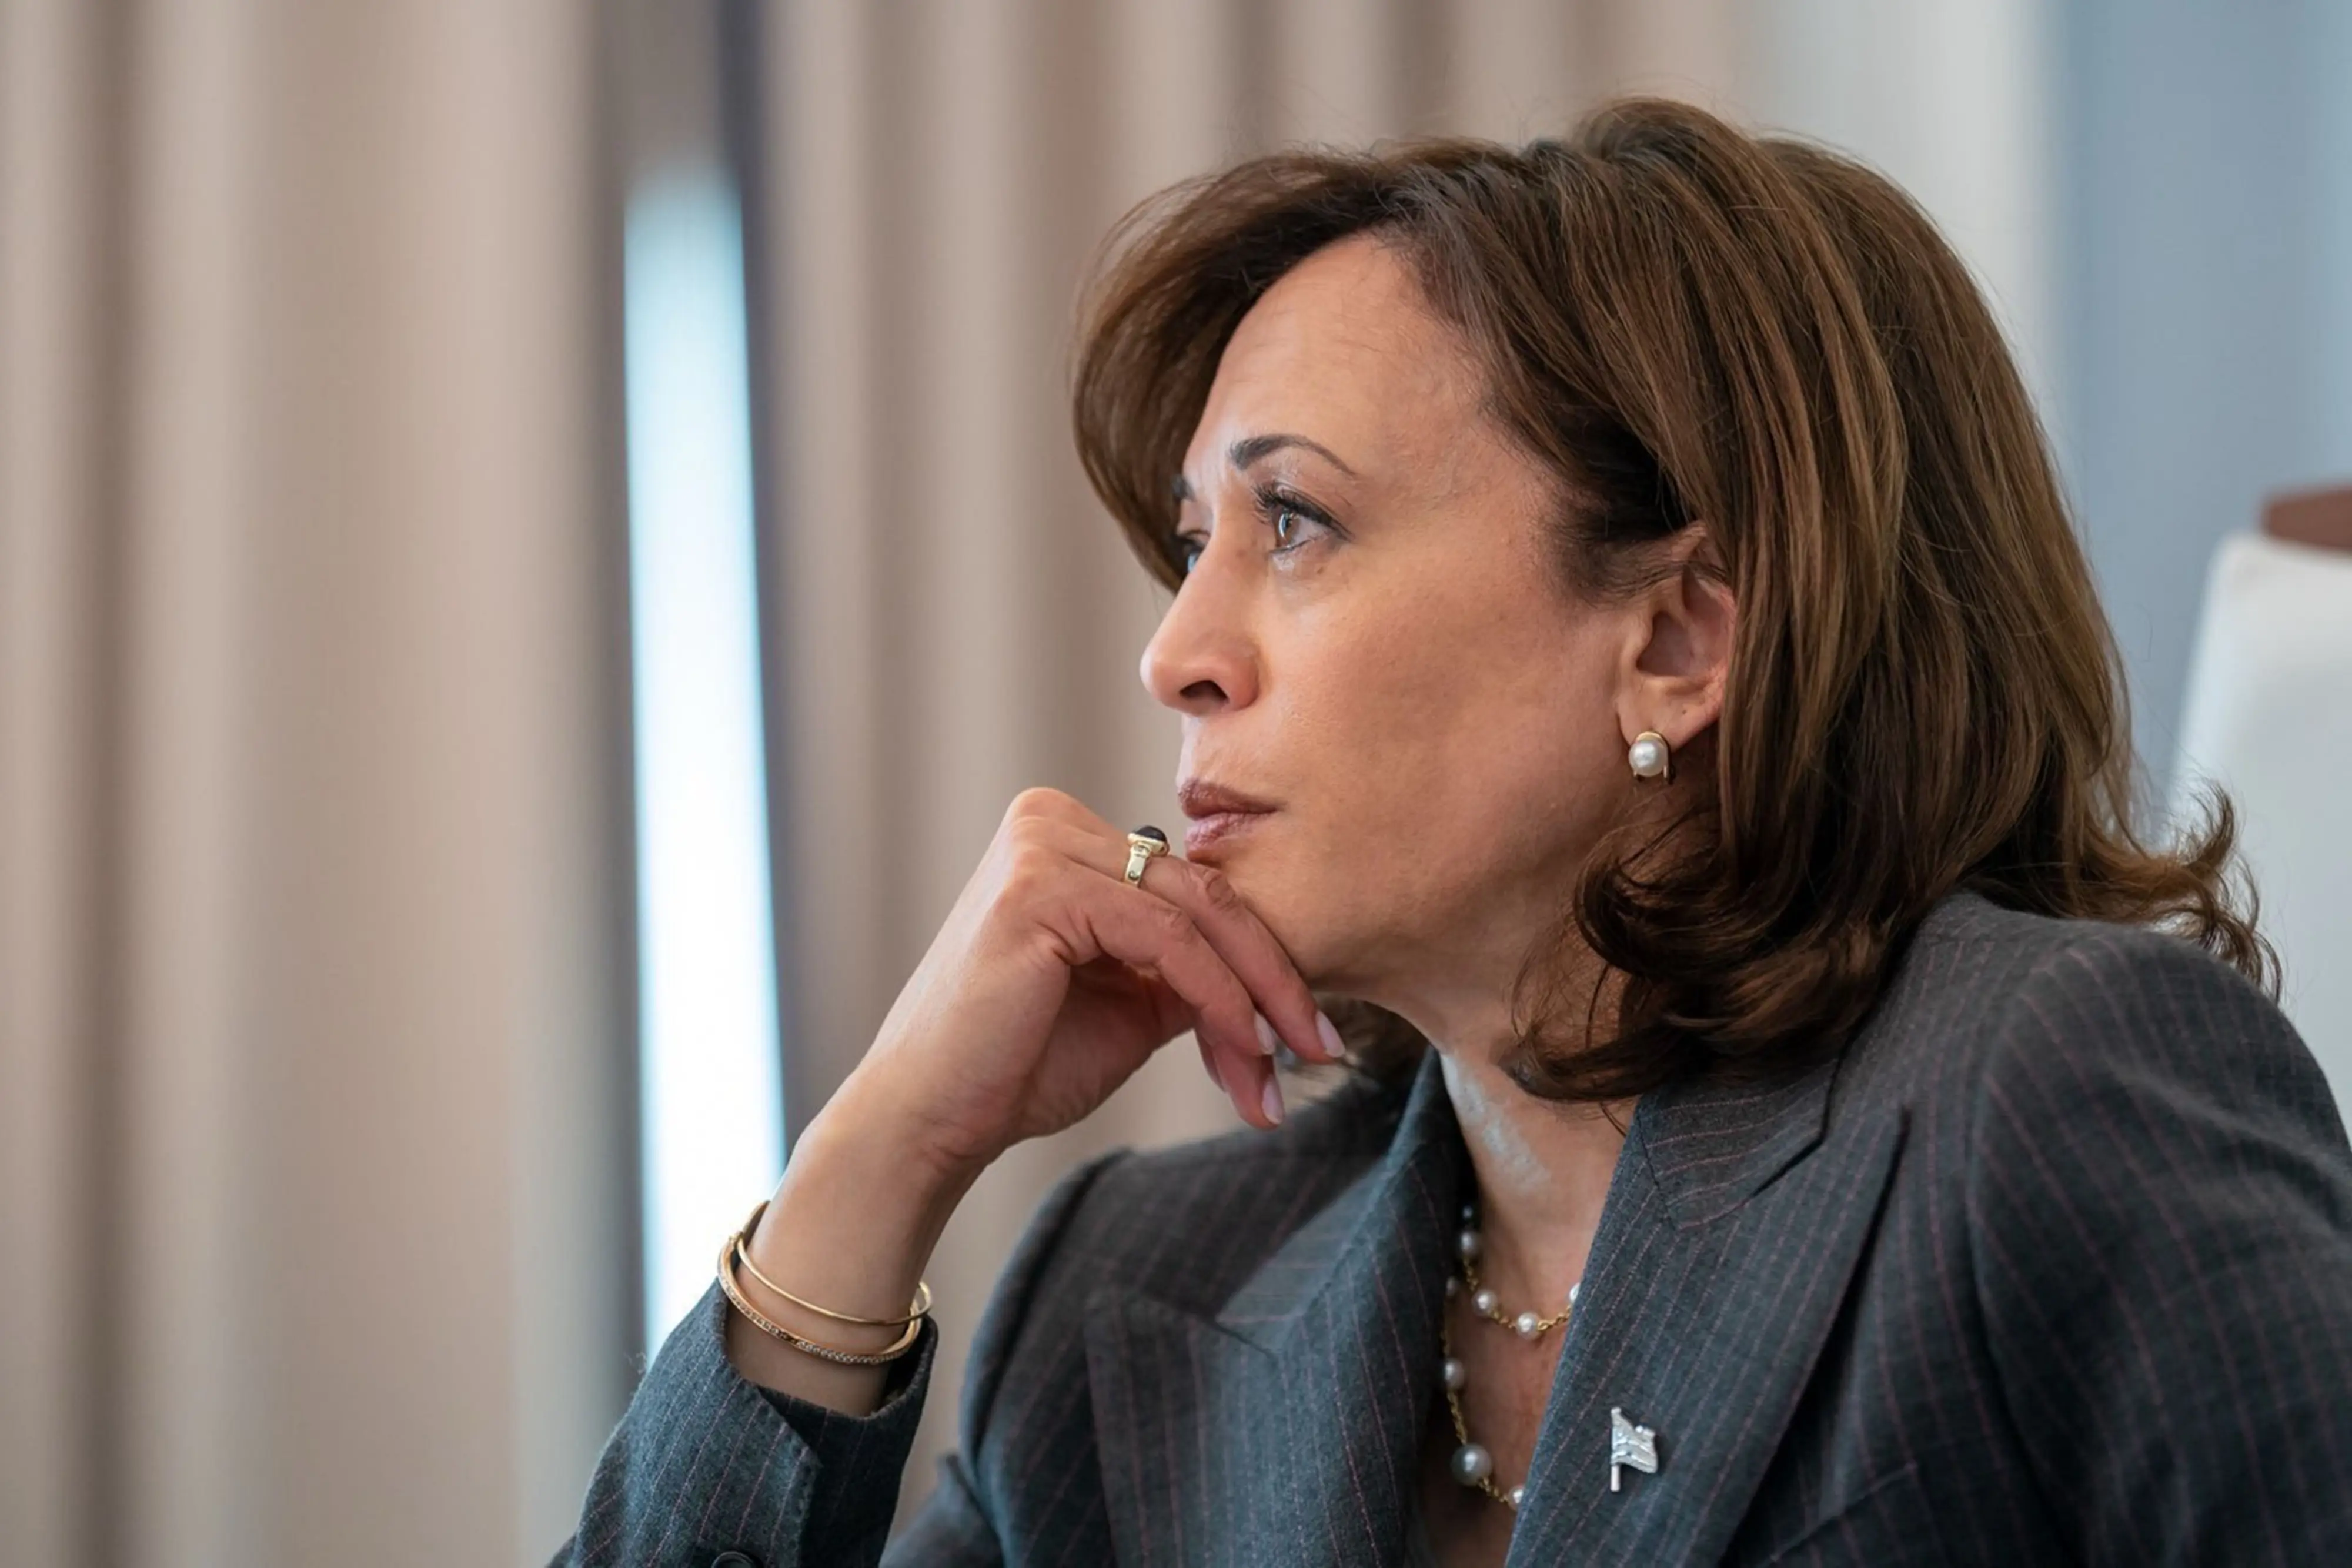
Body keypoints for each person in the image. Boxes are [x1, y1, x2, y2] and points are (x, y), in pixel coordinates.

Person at [551, 98, 2352, 1567]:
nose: (1177, 654)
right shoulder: (1136, 1294)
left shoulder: (2047, 1098)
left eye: (1295, 522)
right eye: (1192, 544)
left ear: (1676, 644)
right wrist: (879, 1157)